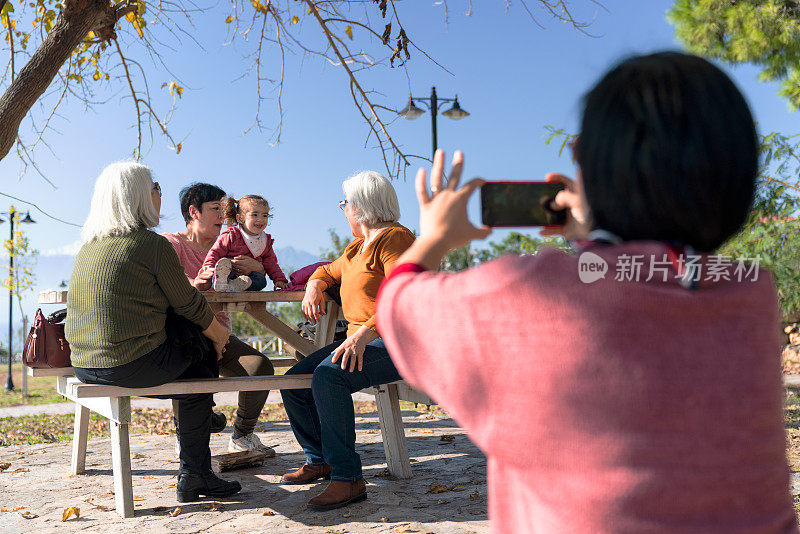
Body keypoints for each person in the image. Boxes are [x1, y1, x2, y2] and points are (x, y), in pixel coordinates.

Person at [376, 52, 797, 533]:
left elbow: (399, 306)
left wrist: (435, 237)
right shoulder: (749, 293)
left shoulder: (525, 295)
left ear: (597, 170)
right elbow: (648, 278)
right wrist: (600, 236)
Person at [65, 162, 241, 503]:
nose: (159, 193)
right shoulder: (150, 244)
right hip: (128, 364)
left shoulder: (88, 247)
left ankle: (203, 432)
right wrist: (220, 338)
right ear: (137, 197)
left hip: (85, 364)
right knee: (201, 366)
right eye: (154, 187)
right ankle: (196, 473)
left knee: (193, 348)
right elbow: (189, 302)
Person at [279, 171, 415, 511]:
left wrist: (363, 335)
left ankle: (348, 478)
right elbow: (327, 270)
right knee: (294, 383)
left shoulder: (396, 239)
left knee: (329, 376)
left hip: (397, 341)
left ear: (362, 206)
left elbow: (403, 297)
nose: (343, 210)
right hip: (362, 340)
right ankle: (320, 459)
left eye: (345, 204)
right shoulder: (356, 248)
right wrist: (314, 285)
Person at [164, 184, 278, 454]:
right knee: (190, 372)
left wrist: (257, 267)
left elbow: (265, 270)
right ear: (194, 212)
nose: (223, 216)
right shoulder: (171, 244)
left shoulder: (231, 246)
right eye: (216, 209)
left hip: (221, 336)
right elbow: (165, 284)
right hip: (185, 338)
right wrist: (194, 282)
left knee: (260, 368)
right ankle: (186, 436)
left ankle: (242, 435)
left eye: (225, 211)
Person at [202, 195, 289, 292]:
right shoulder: (231, 235)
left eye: (264, 215)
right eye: (255, 215)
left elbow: (271, 263)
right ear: (240, 218)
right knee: (223, 269)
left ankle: (235, 286)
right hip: (230, 271)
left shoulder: (265, 241)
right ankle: (223, 284)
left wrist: (279, 279)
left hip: (248, 277)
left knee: (261, 280)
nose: (260, 219)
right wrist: (209, 267)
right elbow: (215, 252)